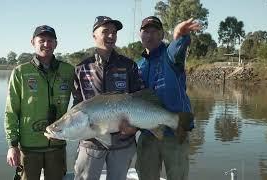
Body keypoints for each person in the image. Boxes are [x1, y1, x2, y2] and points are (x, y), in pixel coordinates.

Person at [72, 16, 142, 180]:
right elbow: (77, 106)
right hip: (91, 143)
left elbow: (140, 102)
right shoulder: (81, 68)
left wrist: (135, 128)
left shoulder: (129, 65)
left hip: (123, 142)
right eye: (106, 32)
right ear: (94, 35)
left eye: (114, 32)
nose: (111, 36)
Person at [4, 25, 74, 180]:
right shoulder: (20, 72)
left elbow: (81, 103)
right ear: (33, 42)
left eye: (50, 41)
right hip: (29, 148)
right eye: (42, 40)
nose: (46, 44)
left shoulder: (68, 70)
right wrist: (12, 145)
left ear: (56, 43)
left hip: (57, 145)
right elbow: (11, 111)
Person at [135, 16, 200, 180]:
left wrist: (179, 36)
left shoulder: (170, 55)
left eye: (155, 31)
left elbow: (178, 47)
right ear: (140, 35)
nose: (150, 35)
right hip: (148, 134)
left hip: (175, 133)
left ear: (162, 34)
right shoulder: (138, 65)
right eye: (146, 31)